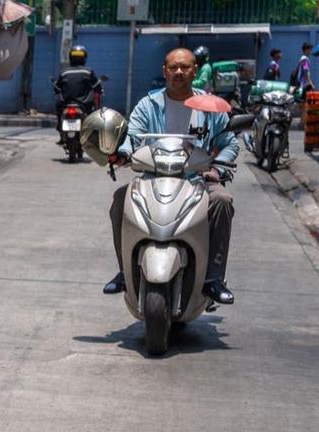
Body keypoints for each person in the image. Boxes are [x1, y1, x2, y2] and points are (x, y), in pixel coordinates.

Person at [102, 48, 240, 305]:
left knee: (222, 200)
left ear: (195, 70)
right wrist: (121, 154)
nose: (179, 72)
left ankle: (213, 279)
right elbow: (133, 137)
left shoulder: (210, 107)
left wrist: (217, 168)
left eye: (185, 67)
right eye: (173, 67)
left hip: (198, 180)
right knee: (120, 199)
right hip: (152, 179)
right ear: (165, 71)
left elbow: (229, 142)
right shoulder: (148, 104)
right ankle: (125, 272)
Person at [53, 45, 102, 142]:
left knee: (58, 108)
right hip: (84, 104)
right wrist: (99, 90)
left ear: (71, 58)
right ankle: (90, 136)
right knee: (92, 115)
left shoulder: (64, 73)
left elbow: (56, 88)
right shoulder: (88, 72)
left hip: (66, 103)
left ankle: (60, 128)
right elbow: (97, 86)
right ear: (84, 58)